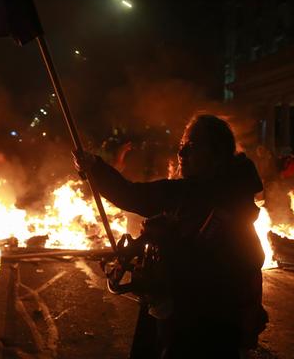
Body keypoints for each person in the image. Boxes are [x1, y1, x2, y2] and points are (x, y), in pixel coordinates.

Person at [73, 114, 267, 358]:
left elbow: (247, 264)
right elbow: (131, 194)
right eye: (181, 147)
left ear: (216, 155)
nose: (182, 154)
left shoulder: (226, 202)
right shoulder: (192, 192)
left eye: (191, 147)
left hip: (203, 325)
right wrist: (94, 167)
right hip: (179, 317)